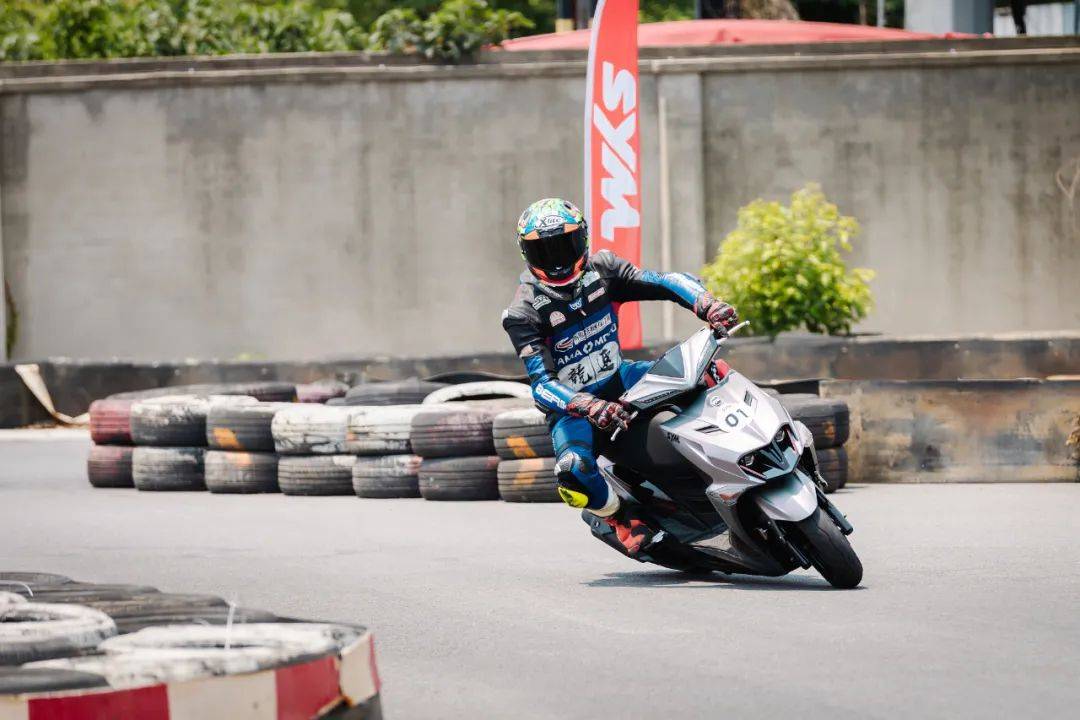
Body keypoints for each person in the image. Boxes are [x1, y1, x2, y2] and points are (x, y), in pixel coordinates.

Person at [501, 198, 738, 556]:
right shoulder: (522, 313)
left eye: (564, 245)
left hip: (622, 378)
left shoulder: (604, 269)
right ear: (526, 253)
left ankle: (759, 448)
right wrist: (586, 405)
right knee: (572, 472)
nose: (557, 260)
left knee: (710, 370)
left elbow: (665, 282)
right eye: (543, 251)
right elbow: (542, 386)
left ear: (582, 238)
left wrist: (707, 304)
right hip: (575, 412)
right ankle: (620, 518)